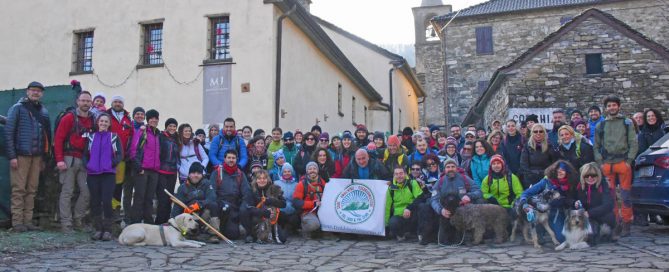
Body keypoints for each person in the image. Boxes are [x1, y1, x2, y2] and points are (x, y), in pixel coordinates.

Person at [6, 81, 51, 232]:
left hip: (37, 157)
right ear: (27, 92)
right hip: (21, 155)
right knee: (19, 189)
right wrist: (12, 156)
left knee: (32, 190)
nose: (35, 93)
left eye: (38, 91)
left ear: (42, 93)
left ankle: (28, 221)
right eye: (33, 90)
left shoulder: (43, 111)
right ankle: (17, 222)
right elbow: (9, 133)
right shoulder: (17, 109)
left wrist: (44, 158)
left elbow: (46, 136)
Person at [594, 96, 638, 237]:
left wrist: (629, 160)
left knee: (625, 195)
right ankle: (615, 223)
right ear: (605, 108)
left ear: (618, 106)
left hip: (622, 161)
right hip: (607, 163)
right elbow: (596, 146)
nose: (612, 107)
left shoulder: (627, 123)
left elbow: (633, 142)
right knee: (610, 196)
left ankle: (626, 223)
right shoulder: (601, 125)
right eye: (609, 105)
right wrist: (600, 162)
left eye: (614, 105)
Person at [55, 91, 95, 233]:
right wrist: (59, 160)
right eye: (83, 100)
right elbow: (59, 139)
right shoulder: (69, 118)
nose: (85, 103)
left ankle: (78, 219)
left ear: (91, 103)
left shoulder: (92, 119)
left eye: (88, 101)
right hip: (68, 158)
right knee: (67, 192)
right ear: (77, 101)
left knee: (87, 191)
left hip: (84, 160)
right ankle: (66, 224)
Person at [84, 113, 123, 241]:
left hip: (108, 174)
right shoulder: (90, 137)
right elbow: (85, 154)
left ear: (109, 124)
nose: (103, 123)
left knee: (106, 202)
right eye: (101, 121)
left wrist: (111, 163)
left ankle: (107, 230)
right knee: (95, 202)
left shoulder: (114, 137)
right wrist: (88, 165)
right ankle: (98, 229)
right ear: (97, 122)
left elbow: (119, 154)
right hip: (93, 174)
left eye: (106, 121)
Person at [518, 160, 578, 242]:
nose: (559, 172)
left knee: (561, 238)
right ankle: (541, 231)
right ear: (553, 171)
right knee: (541, 234)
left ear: (567, 172)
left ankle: (551, 228)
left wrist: (572, 202)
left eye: (562, 170)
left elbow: (570, 199)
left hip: (557, 210)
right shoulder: (546, 181)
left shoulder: (571, 183)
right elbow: (526, 193)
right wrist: (524, 202)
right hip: (542, 210)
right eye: (557, 170)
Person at [425, 159, 482, 245]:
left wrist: (469, 196)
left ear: (457, 168)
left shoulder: (465, 178)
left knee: (481, 201)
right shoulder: (440, 182)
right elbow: (434, 199)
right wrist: (440, 210)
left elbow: (478, 191)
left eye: (453, 167)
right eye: (448, 167)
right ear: (444, 169)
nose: (450, 169)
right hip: (446, 211)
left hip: (462, 209)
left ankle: (474, 234)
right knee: (427, 205)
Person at [171, 162, 220, 243]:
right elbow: (177, 207)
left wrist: (199, 205)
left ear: (202, 175)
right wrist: (173, 220)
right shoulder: (182, 188)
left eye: (198, 173)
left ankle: (213, 235)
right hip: (189, 217)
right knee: (183, 220)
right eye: (193, 173)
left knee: (213, 205)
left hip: (203, 216)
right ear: (189, 174)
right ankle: (187, 234)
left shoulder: (207, 184)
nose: (196, 175)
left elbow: (212, 198)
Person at [212, 149, 253, 240]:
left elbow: (246, 191)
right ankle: (215, 230)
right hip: (220, 206)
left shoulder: (240, 174)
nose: (231, 160)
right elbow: (212, 192)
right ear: (224, 159)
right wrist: (219, 202)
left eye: (233, 158)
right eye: (229, 158)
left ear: (236, 159)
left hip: (234, 207)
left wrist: (243, 205)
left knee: (233, 235)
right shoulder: (217, 173)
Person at [574, 162, 616, 244]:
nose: (590, 178)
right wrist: (574, 203)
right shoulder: (578, 186)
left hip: (600, 215)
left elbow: (608, 205)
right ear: (583, 176)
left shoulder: (603, 185)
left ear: (598, 175)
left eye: (593, 175)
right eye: (587, 176)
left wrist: (590, 213)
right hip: (584, 217)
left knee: (609, 216)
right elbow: (570, 199)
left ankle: (608, 232)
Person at [106, 96, 133, 218]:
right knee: (106, 183)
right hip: (106, 156)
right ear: (112, 103)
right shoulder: (105, 116)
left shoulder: (128, 119)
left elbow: (131, 137)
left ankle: (115, 210)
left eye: (120, 102)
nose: (117, 104)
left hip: (121, 158)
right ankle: (104, 211)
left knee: (118, 185)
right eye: (115, 102)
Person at [243, 169, 287, 243]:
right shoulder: (251, 190)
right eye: (259, 178)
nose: (262, 180)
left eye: (264, 178)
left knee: (283, 239)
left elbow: (283, 204)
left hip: (273, 218)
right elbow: (248, 207)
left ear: (268, 179)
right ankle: (254, 234)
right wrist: (262, 212)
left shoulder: (275, 188)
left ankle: (274, 232)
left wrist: (271, 201)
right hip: (258, 217)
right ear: (256, 180)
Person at [385, 167, 423, 241]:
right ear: (394, 176)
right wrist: (386, 226)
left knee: (422, 208)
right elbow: (387, 207)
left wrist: (409, 208)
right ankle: (401, 235)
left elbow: (419, 198)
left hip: (412, 213)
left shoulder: (412, 183)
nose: (399, 176)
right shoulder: (390, 189)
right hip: (399, 215)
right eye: (396, 174)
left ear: (405, 174)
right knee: (392, 223)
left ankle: (417, 233)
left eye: (401, 173)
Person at [154, 118, 180, 225]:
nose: (172, 128)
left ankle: (167, 222)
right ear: (166, 126)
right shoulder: (161, 136)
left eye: (174, 126)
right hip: (161, 171)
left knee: (170, 198)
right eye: (170, 126)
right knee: (162, 198)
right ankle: (159, 222)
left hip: (172, 172)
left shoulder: (177, 139)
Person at [122, 107, 145, 224]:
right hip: (128, 164)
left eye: (142, 114)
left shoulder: (146, 130)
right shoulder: (129, 127)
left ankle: (136, 219)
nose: (139, 116)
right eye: (137, 114)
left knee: (139, 194)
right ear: (134, 115)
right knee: (127, 193)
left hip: (140, 165)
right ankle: (127, 218)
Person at [293, 162, 326, 238]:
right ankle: (304, 229)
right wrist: (312, 204)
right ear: (307, 171)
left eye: (314, 168)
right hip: (308, 212)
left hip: (322, 211)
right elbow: (296, 202)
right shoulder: (301, 184)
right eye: (310, 169)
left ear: (317, 170)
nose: (312, 170)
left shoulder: (323, 183)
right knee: (314, 225)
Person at [519, 124, 555, 188]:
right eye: (535, 131)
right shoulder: (527, 146)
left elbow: (554, 163)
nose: (538, 133)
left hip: (546, 177)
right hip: (530, 179)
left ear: (544, 133)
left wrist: (546, 174)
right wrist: (531, 176)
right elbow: (524, 165)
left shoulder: (550, 146)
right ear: (532, 133)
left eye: (541, 131)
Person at [275, 163, 300, 234]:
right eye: (285, 172)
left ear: (292, 172)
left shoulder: (297, 185)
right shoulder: (276, 183)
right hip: (280, 210)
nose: (287, 173)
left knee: (295, 219)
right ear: (282, 172)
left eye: (289, 171)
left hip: (292, 210)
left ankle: (292, 228)